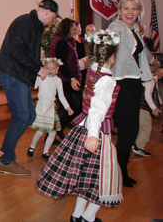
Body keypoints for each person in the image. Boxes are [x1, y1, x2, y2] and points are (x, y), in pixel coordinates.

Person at [36, 30, 123, 222]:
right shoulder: (107, 80)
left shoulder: (93, 68)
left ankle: (77, 216)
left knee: (85, 176)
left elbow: (80, 63)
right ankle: (88, 218)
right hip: (96, 131)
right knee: (104, 178)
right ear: (114, 57)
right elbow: (97, 110)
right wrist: (93, 135)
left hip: (82, 129)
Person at [0, 0, 58, 175]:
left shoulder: (32, 24)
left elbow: (22, 49)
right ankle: (7, 160)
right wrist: (37, 68)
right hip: (13, 74)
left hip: (17, 75)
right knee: (22, 116)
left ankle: (3, 153)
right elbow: (15, 49)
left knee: (30, 116)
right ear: (47, 12)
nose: (51, 21)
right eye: (52, 17)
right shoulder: (28, 23)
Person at [107, 0, 155, 187]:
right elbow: (124, 57)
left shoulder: (134, 29)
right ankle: (119, 172)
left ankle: (120, 170)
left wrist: (153, 64)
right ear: (119, 11)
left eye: (133, 9)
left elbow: (144, 54)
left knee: (131, 130)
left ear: (138, 12)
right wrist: (144, 71)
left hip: (133, 83)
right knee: (129, 131)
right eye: (126, 8)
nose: (130, 12)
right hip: (122, 83)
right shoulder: (116, 28)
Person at [27, 58, 73, 159]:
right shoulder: (42, 78)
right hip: (41, 106)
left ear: (57, 70)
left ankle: (45, 152)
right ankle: (32, 146)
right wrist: (40, 78)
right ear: (44, 68)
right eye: (48, 68)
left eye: (53, 69)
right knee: (39, 131)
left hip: (51, 107)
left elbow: (61, 96)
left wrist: (67, 107)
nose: (50, 71)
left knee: (52, 132)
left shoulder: (58, 80)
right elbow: (34, 86)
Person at [49, 18, 83, 139]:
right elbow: (61, 63)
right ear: (67, 28)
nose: (75, 31)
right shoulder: (62, 42)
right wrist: (72, 77)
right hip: (64, 80)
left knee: (69, 107)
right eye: (73, 28)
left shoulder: (64, 41)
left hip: (67, 79)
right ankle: (56, 132)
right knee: (73, 106)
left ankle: (54, 133)